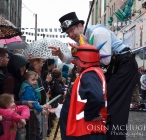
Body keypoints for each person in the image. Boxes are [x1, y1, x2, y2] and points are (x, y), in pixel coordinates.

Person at [49, 12, 138, 140]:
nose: (70, 35)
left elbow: (105, 59)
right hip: (113, 69)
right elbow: (72, 58)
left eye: (72, 30)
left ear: (80, 25)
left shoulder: (98, 32)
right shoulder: (82, 40)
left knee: (113, 107)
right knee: (106, 106)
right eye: (67, 33)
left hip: (124, 66)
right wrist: (60, 54)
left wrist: (85, 47)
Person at [58, 40, 107, 139]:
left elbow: (96, 97)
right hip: (84, 132)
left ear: (84, 60)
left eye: (76, 59)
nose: (74, 62)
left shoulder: (89, 75)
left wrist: (89, 116)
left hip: (84, 132)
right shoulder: (90, 74)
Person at [19, 71, 48, 140]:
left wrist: (39, 106)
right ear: (27, 80)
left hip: (30, 111)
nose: (35, 82)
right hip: (28, 111)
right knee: (33, 130)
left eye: (36, 80)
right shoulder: (28, 88)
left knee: (36, 128)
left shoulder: (30, 87)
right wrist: (41, 109)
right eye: (33, 80)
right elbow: (33, 101)